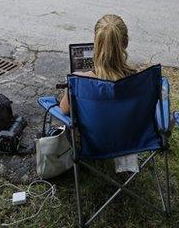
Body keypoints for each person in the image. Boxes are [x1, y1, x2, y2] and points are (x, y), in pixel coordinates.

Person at [59, 14, 139, 173]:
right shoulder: (139, 80)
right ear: (126, 43)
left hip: (94, 143)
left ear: (96, 43)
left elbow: (63, 110)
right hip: (131, 139)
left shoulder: (80, 81)